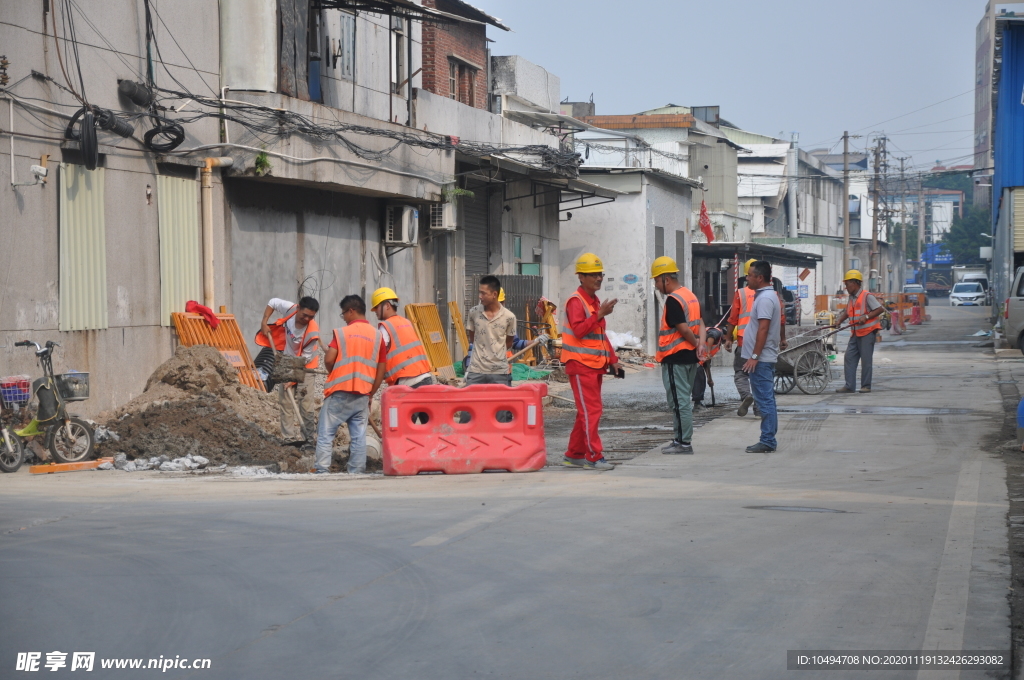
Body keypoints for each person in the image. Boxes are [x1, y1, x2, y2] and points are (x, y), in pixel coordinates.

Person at [560, 253, 621, 470]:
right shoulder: (576, 302)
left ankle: (574, 454)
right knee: (591, 411)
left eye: (600, 274)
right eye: (594, 274)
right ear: (581, 277)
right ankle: (593, 457)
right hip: (580, 363)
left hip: (593, 364)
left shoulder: (592, 301)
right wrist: (600, 314)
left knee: (585, 411)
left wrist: (613, 359)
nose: (599, 278)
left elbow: (599, 334)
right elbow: (578, 330)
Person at [316, 295, 377, 474]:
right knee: (359, 435)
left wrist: (334, 373)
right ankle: (356, 471)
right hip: (363, 394)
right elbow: (381, 367)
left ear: (351, 311)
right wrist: (371, 392)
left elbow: (329, 359)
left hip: (340, 391)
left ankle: (321, 469)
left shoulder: (342, 333)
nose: (344, 318)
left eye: (344, 314)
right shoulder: (377, 335)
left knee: (326, 432)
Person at [651, 256, 706, 455]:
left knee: (679, 401)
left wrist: (696, 344)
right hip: (689, 357)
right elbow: (700, 322)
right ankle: (679, 439)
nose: (656, 286)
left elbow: (683, 329)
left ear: (666, 279)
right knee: (680, 399)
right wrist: (700, 344)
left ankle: (684, 442)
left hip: (676, 357)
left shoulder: (674, 300)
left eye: (657, 281)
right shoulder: (689, 295)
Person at [256, 296, 320, 444]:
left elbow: (306, 358)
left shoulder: (312, 332)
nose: (306, 319)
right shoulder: (290, 309)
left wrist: (292, 379)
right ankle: (288, 439)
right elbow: (272, 302)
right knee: (285, 401)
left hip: (306, 365)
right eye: (304, 315)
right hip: (287, 360)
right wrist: (264, 322)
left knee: (305, 403)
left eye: (311, 317)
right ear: (298, 309)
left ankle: (309, 439)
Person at [741, 260, 783, 453]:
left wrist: (755, 356)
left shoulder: (765, 299)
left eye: (750, 275)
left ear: (759, 277)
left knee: (764, 400)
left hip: (761, 359)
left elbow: (763, 329)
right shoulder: (766, 296)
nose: (747, 278)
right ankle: (768, 438)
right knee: (767, 399)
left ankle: (767, 440)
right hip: (762, 358)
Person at [367, 287, 434, 400]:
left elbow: (376, 357)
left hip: (407, 383)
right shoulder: (406, 322)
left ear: (387, 305)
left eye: (377, 307)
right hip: (425, 378)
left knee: (400, 418)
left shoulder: (386, 327)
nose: (375, 311)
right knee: (429, 418)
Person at [833, 270, 883, 394]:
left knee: (866, 361)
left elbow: (880, 309)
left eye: (848, 284)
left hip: (867, 332)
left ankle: (866, 386)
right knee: (849, 358)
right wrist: (839, 320)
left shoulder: (867, 296)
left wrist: (866, 317)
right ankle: (849, 386)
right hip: (855, 333)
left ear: (855, 283)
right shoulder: (851, 298)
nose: (846, 287)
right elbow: (848, 312)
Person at [465, 276, 517, 386]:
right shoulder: (473, 312)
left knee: (500, 403)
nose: (480, 297)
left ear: (494, 294)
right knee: (472, 402)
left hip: (499, 372)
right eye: (479, 293)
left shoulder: (509, 317)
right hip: (476, 370)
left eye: (483, 293)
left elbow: (508, 343)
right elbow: (472, 338)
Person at [723, 259, 758, 418]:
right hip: (763, 343)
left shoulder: (741, 293)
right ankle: (759, 408)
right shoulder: (771, 293)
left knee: (741, 372)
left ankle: (746, 396)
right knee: (760, 375)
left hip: (744, 342)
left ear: (746, 276)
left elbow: (732, 318)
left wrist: (728, 338)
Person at [692, 327, 724, 409]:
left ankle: (696, 402)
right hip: (693, 357)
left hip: (697, 359)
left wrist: (709, 379)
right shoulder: (718, 332)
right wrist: (709, 352)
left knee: (700, 376)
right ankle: (697, 404)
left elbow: (706, 364)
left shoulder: (717, 344)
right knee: (699, 377)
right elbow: (711, 336)